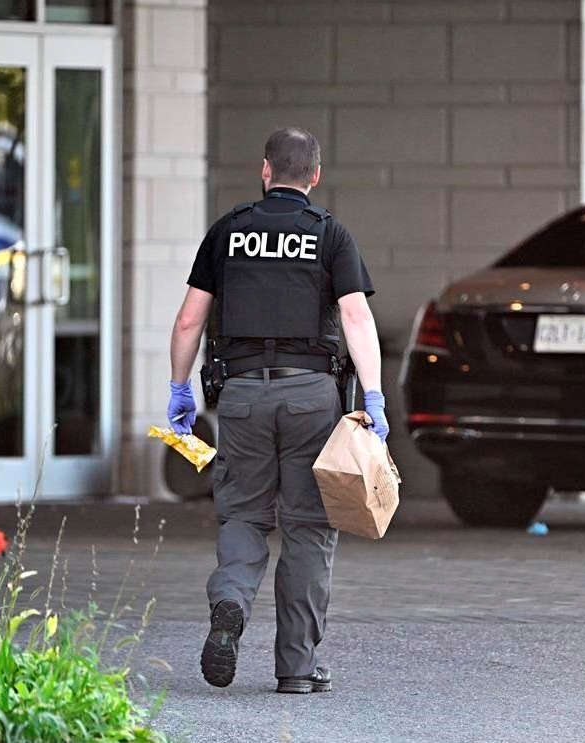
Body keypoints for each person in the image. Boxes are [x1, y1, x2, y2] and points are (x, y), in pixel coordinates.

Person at [166, 127, 388, 694]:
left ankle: (231, 604)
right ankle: (295, 667)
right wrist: (374, 397)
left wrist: (179, 389)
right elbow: (357, 320)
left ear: (264, 170)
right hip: (311, 397)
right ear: (314, 176)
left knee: (243, 515)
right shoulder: (329, 234)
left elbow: (190, 319)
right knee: (309, 527)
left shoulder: (228, 231)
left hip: (240, 396)